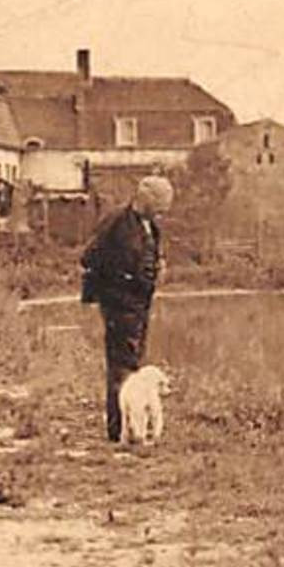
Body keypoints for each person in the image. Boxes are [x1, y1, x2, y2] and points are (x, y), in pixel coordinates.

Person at [80, 175, 173, 442]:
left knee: (135, 364)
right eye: (160, 206)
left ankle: (135, 426)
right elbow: (89, 258)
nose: (162, 213)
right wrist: (124, 279)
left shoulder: (151, 226)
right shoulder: (116, 222)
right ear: (145, 199)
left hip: (140, 304)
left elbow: (151, 256)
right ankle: (118, 429)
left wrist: (158, 268)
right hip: (119, 304)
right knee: (122, 365)